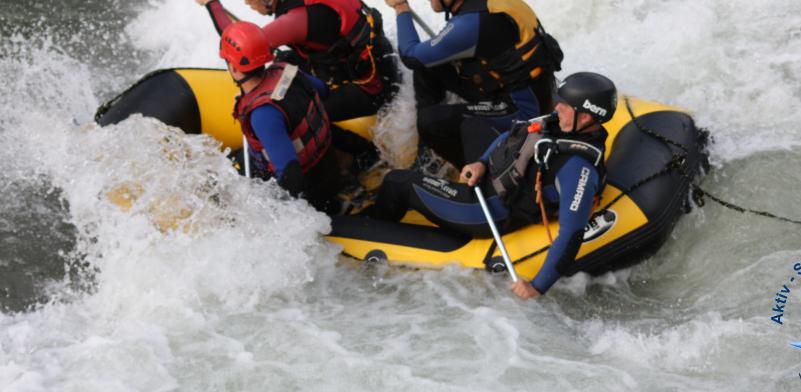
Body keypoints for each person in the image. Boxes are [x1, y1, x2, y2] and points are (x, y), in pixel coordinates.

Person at [365, 72, 617, 299]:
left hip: (487, 208)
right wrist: (481, 163)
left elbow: (572, 233)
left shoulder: (577, 168)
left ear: (584, 117)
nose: (557, 106)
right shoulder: (561, 123)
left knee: (398, 181)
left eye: (565, 105)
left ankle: (367, 230)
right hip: (495, 176)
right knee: (473, 124)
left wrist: (537, 286)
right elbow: (515, 134)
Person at [197, 0, 399, 173]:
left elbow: (242, 47)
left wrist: (211, 4)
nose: (247, 4)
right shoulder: (298, 13)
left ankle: (366, 154)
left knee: (305, 113)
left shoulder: (295, 20)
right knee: (285, 59)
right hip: (378, 63)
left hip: (374, 88)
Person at [383, 0, 564, 169]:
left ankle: (476, 173)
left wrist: (401, 7)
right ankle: (428, 159)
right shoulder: (487, 7)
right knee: (428, 68)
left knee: (430, 121)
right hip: (518, 88)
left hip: (522, 110)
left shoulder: (471, 24)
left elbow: (410, 56)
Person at [220, 21, 345, 214]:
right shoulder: (285, 70)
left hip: (312, 195)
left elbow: (291, 176)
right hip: (329, 167)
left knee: (225, 174)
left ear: (234, 69)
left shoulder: (263, 115)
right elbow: (323, 90)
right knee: (235, 157)